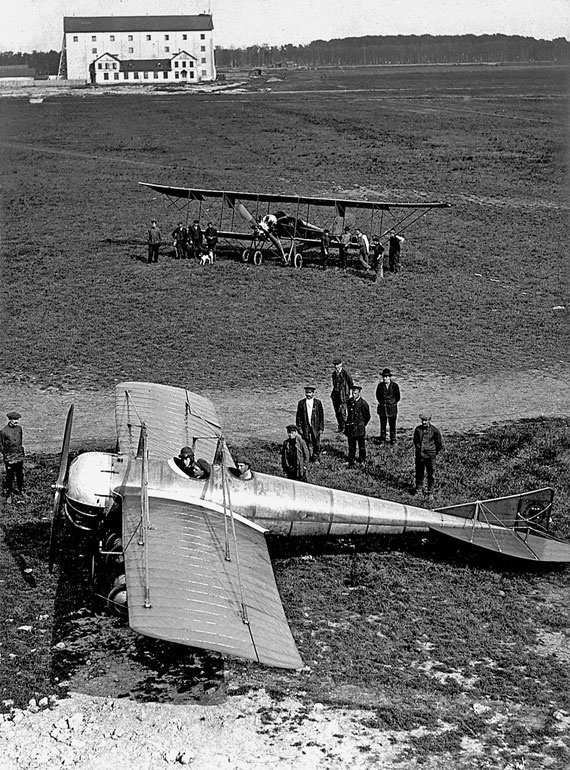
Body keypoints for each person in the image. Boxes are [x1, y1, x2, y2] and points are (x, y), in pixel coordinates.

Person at [413, 412, 443, 499]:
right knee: (419, 473)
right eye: (422, 420)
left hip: (430, 456)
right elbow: (416, 441)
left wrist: (433, 452)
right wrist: (419, 450)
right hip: (420, 455)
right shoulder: (418, 430)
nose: (424, 422)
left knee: (431, 474)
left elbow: (439, 444)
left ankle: (430, 492)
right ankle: (418, 490)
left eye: (425, 421)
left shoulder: (434, 430)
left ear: (429, 420)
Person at [295, 386, 325, 463]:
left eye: (310, 393)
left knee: (316, 442)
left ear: (313, 393)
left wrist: (321, 428)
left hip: (315, 426)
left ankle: (315, 458)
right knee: (306, 442)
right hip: (305, 426)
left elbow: (321, 416)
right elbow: (298, 416)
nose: (308, 394)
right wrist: (299, 428)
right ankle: (307, 457)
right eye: (307, 393)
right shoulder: (301, 403)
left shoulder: (318, 403)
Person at [1, 411, 25, 502]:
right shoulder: (4, 431)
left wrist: (19, 452)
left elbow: (20, 441)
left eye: (17, 420)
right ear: (10, 420)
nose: (16, 421)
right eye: (14, 420)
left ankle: (20, 490)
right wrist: (7, 455)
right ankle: (9, 494)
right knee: (10, 476)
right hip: (10, 457)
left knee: (20, 474)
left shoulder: (19, 429)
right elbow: (1, 445)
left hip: (18, 455)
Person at [345, 386, 371, 467]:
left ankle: (362, 459)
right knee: (351, 445)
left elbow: (367, 416)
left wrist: (362, 424)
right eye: (352, 393)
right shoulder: (349, 401)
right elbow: (348, 414)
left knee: (361, 445)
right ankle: (351, 460)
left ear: (359, 393)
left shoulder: (363, 403)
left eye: (355, 393)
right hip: (351, 427)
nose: (353, 395)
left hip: (360, 428)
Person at [375, 368, 401, 445]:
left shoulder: (395, 386)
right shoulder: (380, 386)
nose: (385, 378)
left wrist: (391, 403)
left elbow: (398, 397)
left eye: (386, 377)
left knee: (392, 425)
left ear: (390, 377)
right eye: (384, 377)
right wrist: (383, 403)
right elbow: (378, 396)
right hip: (382, 408)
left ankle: (393, 440)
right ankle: (383, 440)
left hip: (392, 409)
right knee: (383, 426)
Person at [330, 358, 354, 433]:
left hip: (343, 396)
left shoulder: (345, 373)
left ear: (341, 364)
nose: (336, 366)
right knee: (337, 411)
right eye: (335, 365)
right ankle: (340, 426)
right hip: (335, 395)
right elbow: (334, 384)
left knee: (342, 412)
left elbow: (351, 384)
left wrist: (347, 394)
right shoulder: (334, 374)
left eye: (337, 364)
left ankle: (345, 427)